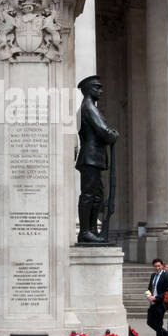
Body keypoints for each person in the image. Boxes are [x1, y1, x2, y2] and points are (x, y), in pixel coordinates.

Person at [75, 75, 119, 244]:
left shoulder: (91, 107)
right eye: (97, 87)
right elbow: (103, 131)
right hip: (90, 158)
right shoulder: (88, 107)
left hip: (95, 158)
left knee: (97, 196)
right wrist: (112, 134)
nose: (100, 90)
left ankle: (92, 229)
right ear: (88, 89)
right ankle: (85, 231)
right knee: (89, 195)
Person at [146, 257, 168, 336]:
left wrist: (156, 298)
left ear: (162, 266)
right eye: (155, 266)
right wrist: (148, 295)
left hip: (161, 303)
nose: (157, 267)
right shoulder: (153, 275)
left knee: (158, 323)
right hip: (153, 302)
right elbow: (149, 287)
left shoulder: (166, 275)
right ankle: (167, 335)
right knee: (149, 322)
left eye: (159, 266)